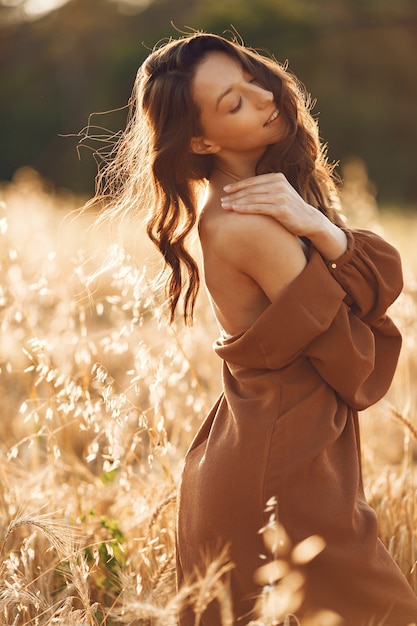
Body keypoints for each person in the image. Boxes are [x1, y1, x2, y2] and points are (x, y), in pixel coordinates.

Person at [93, 31, 417, 625]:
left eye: (249, 78)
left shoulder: (255, 202)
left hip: (264, 455)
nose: (264, 96)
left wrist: (320, 228)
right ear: (200, 140)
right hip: (283, 479)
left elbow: (369, 294)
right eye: (234, 102)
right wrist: (322, 232)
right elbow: (359, 366)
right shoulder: (249, 224)